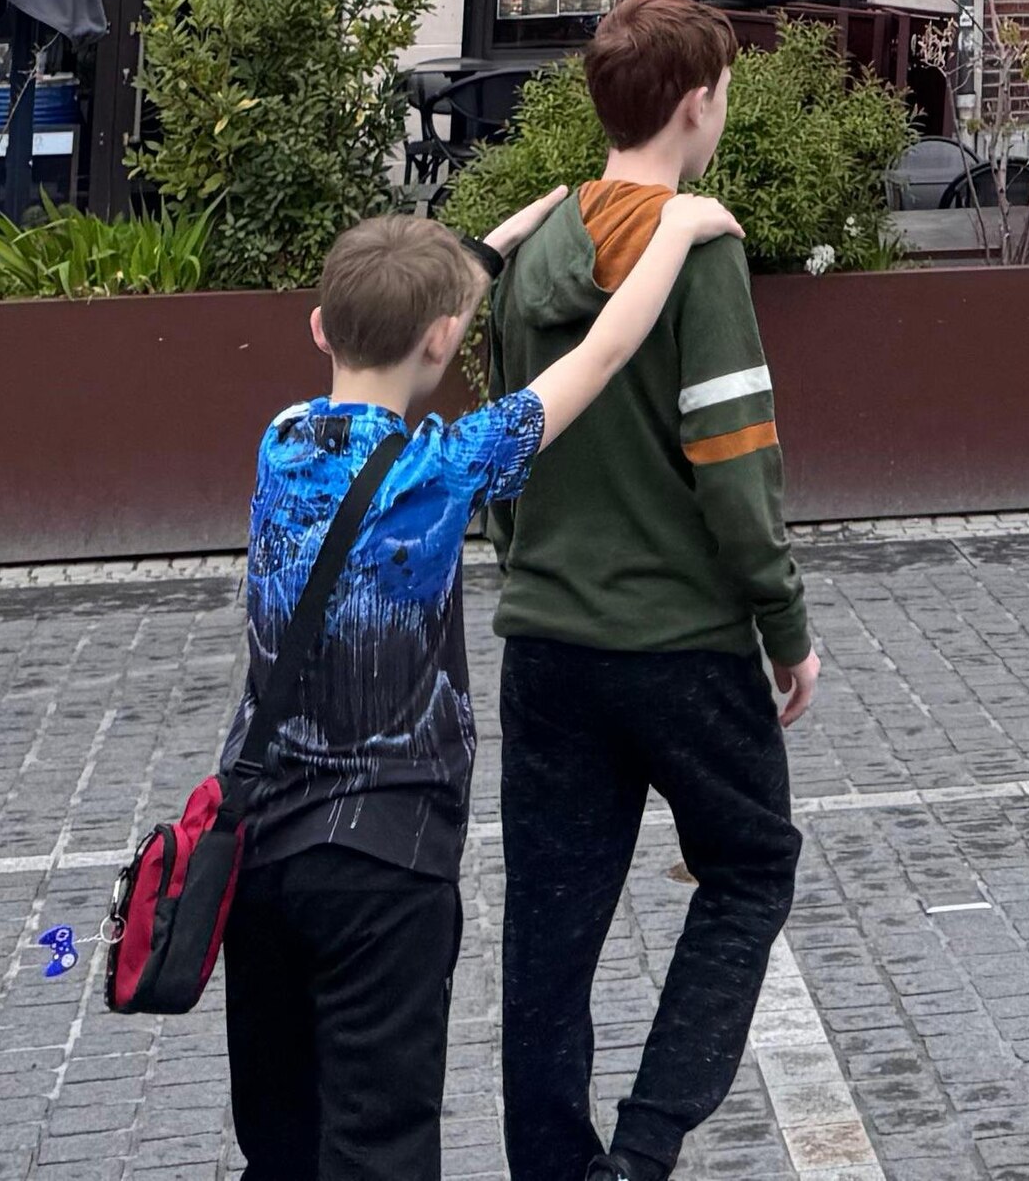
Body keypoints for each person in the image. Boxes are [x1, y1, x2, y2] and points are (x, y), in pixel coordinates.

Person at [223, 188, 725, 1181]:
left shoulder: (282, 440)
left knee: (280, 1142)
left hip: (260, 847)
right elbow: (602, 355)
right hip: (385, 860)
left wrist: (480, 250)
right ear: (446, 340)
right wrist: (673, 228)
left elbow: (399, 321)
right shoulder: (442, 470)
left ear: (320, 326)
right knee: (380, 1145)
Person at [488, 0, 824, 1181]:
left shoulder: (532, 247)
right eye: (724, 91)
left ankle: (553, 1169)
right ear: (698, 103)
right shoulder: (698, 243)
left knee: (549, 934)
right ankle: (640, 1153)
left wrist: (527, 559)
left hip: (547, 641)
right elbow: (735, 463)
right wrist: (783, 621)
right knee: (751, 868)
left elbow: (502, 447)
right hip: (681, 642)